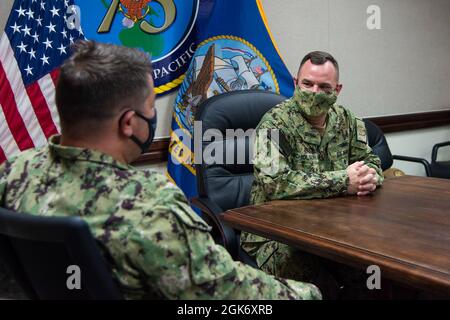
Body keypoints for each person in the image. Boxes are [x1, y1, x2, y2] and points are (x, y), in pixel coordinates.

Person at [0, 40, 321, 300]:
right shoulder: (151, 206)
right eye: (151, 107)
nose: (152, 116)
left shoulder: (15, 172)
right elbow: (231, 295)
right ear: (129, 123)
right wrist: (311, 294)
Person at [241, 51, 384, 296]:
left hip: (335, 230)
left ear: (337, 90)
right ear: (296, 83)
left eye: (324, 86)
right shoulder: (274, 124)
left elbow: (370, 160)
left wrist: (368, 177)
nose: (314, 92)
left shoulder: (349, 121)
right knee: (320, 288)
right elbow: (274, 184)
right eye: (307, 83)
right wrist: (343, 181)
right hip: (277, 233)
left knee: (373, 274)